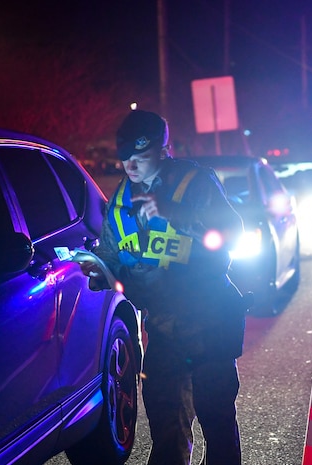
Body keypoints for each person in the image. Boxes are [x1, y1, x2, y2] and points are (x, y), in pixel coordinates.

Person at [81, 109, 248, 465]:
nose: (131, 166)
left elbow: (233, 235)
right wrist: (102, 272)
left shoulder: (194, 182)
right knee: (165, 424)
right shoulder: (121, 201)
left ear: (162, 150)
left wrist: (177, 215)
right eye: (125, 159)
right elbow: (113, 253)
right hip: (161, 328)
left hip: (210, 321)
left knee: (216, 418)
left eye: (140, 158)